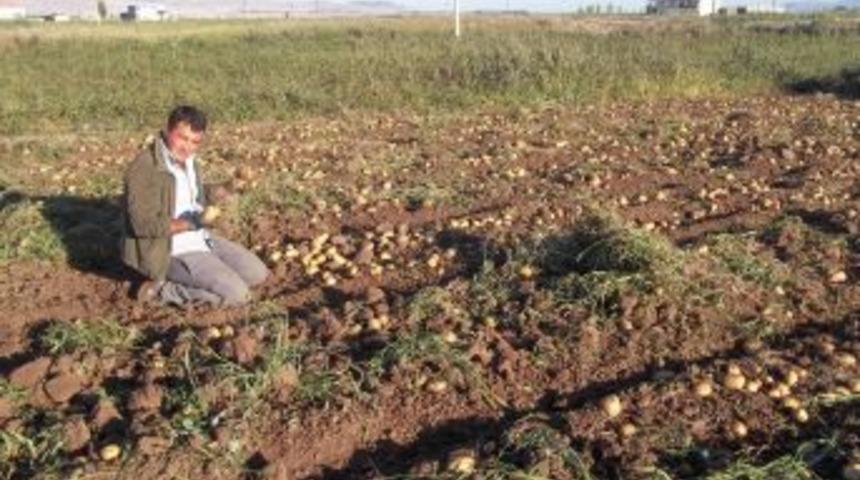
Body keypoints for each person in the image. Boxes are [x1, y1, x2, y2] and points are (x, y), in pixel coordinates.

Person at [122, 105, 269, 306]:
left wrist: (228, 187)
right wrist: (192, 222)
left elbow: (197, 196)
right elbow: (142, 224)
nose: (188, 147)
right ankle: (161, 290)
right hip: (169, 250)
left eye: (195, 142)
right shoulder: (145, 168)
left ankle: (212, 277)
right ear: (167, 130)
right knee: (238, 295)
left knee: (257, 273)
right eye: (182, 138)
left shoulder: (189, 161)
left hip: (202, 238)